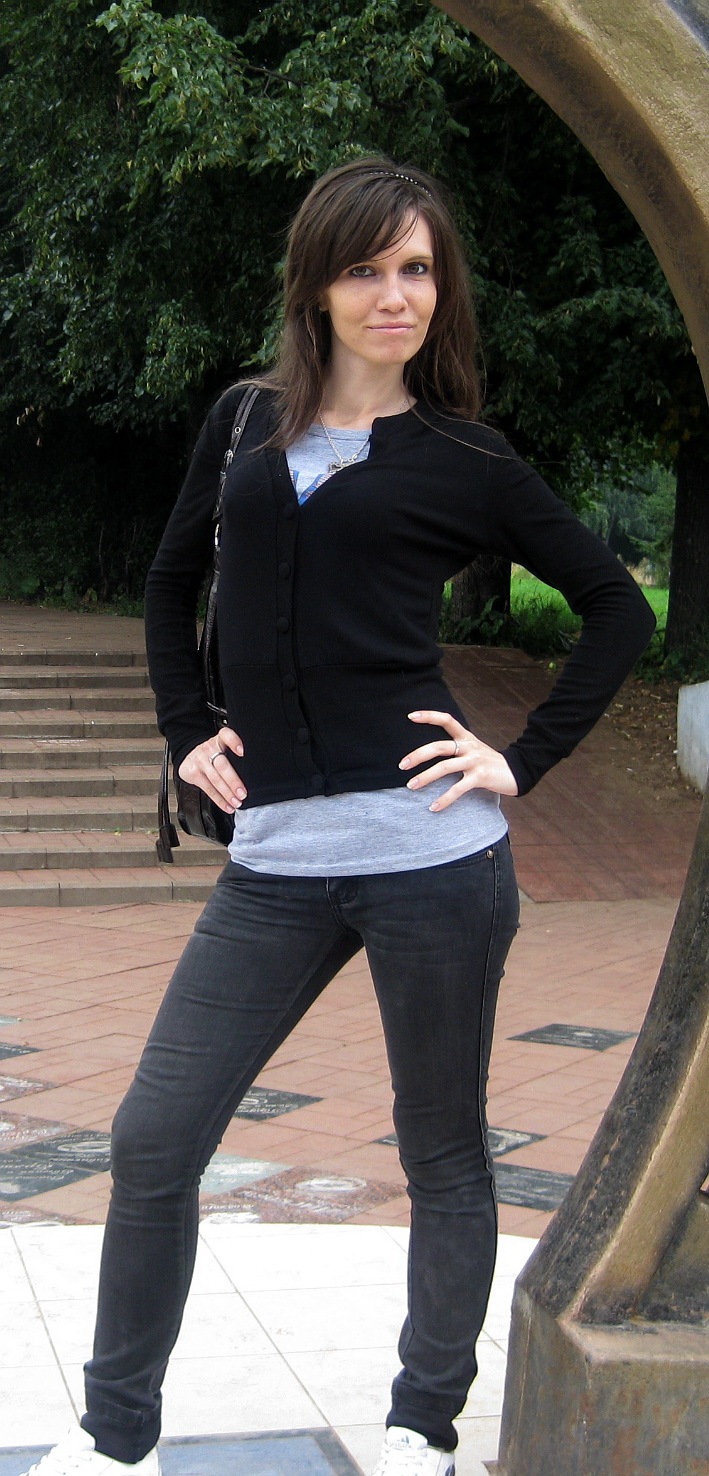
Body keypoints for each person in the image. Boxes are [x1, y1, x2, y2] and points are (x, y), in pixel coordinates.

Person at [25, 156, 655, 1476]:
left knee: (442, 1151)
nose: (393, 295)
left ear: (443, 288)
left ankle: (423, 1425)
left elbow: (615, 607)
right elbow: (170, 585)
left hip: (434, 858)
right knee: (153, 1138)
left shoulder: (467, 457)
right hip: (274, 863)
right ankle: (115, 1438)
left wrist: (518, 760)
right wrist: (187, 731)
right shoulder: (245, 422)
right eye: (366, 268)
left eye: (417, 269)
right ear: (316, 283)